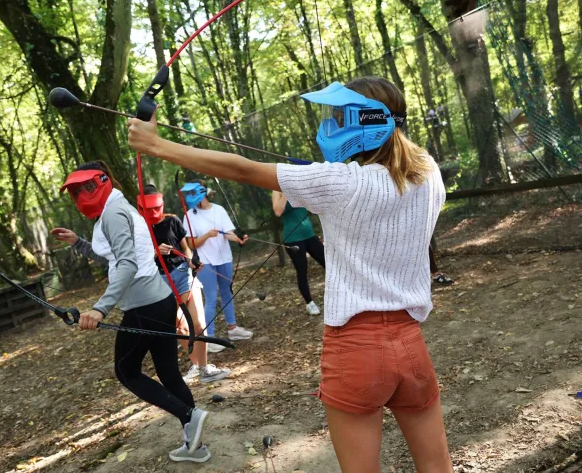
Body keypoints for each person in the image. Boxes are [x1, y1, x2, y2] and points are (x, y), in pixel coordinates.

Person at [128, 77, 453, 472]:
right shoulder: (429, 173)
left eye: (340, 115)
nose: (332, 124)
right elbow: (400, 158)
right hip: (410, 344)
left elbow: (243, 170)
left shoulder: (342, 182)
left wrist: (156, 145)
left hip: (356, 349)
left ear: (366, 121)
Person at [50, 161, 211, 463]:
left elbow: (127, 265)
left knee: (127, 371)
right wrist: (78, 243)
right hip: (160, 300)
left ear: (101, 181)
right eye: (75, 192)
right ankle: (196, 445)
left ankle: (189, 414)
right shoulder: (119, 208)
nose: (80, 196)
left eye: (85, 188)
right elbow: (115, 258)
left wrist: (100, 309)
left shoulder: (113, 212)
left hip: (143, 306)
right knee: (168, 372)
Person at [140, 183, 231, 383]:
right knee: (180, 326)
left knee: (198, 323)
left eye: (157, 207)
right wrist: (155, 253)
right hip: (160, 281)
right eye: (149, 209)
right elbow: (137, 259)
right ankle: (197, 365)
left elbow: (186, 248)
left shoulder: (172, 221)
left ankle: (205, 368)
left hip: (183, 274)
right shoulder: (139, 229)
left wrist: (191, 261)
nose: (154, 212)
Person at [178, 180, 253, 353]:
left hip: (224, 258)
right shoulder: (189, 215)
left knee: (227, 292)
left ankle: (233, 329)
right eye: (187, 194)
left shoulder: (218, 210)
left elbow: (228, 233)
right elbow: (191, 244)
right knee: (211, 297)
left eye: (192, 193)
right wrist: (206, 236)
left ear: (202, 192)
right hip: (205, 262)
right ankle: (208, 337)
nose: (189, 197)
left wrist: (239, 239)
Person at [271, 191, 325, 315]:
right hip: (293, 238)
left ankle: (339, 294)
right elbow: (278, 211)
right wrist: (285, 191)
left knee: (328, 263)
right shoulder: (276, 191)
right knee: (302, 270)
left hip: (309, 234)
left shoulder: (297, 184)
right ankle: (309, 303)